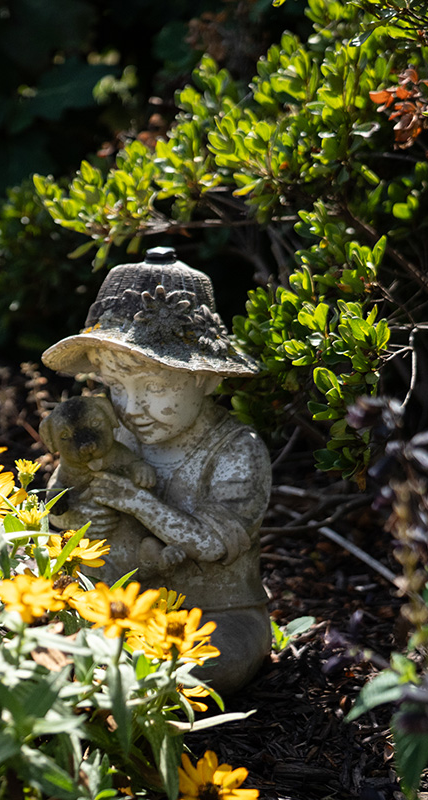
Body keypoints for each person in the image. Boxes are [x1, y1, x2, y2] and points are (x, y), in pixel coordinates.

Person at [42, 247, 272, 694]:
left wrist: (135, 502)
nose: (132, 409)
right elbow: (56, 504)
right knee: (62, 649)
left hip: (215, 614)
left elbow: (209, 543)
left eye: (155, 387)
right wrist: (74, 515)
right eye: (116, 389)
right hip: (115, 607)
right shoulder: (114, 434)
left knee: (199, 667)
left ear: (207, 378)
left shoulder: (237, 451)